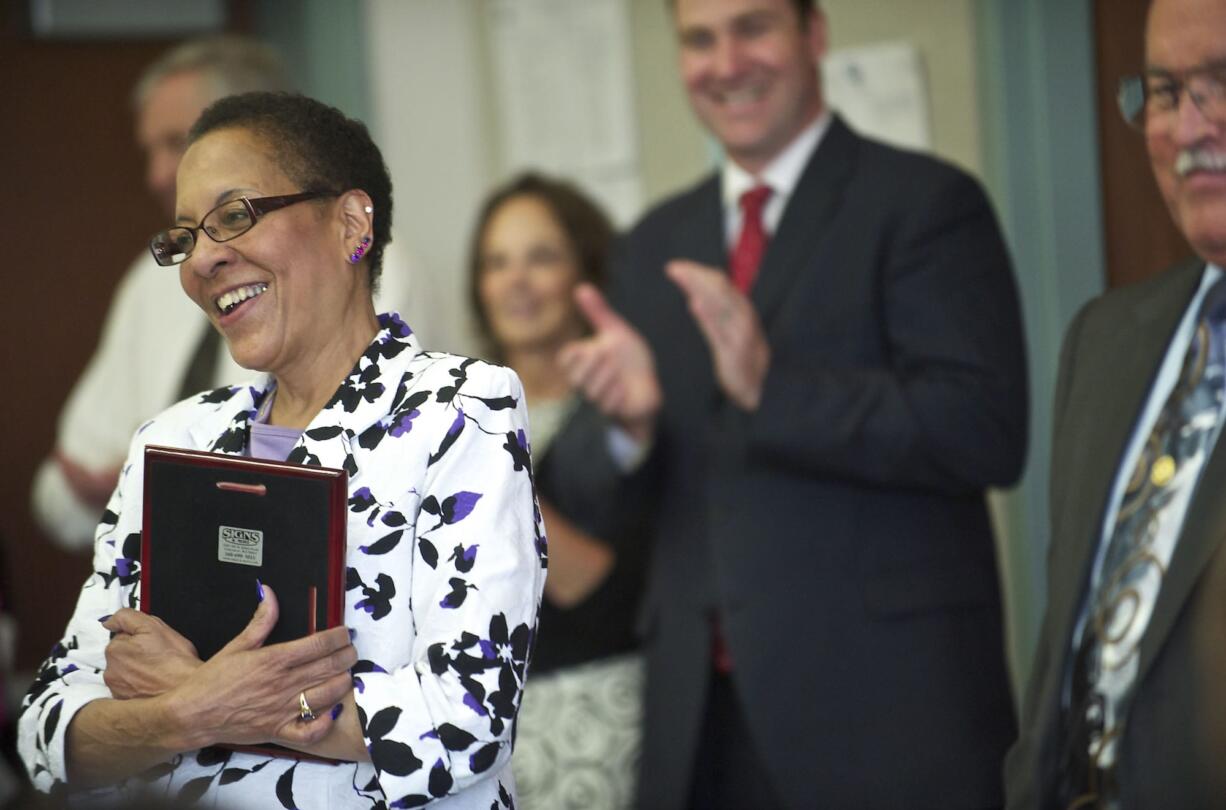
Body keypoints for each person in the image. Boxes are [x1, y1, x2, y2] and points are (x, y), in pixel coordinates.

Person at [557, 0, 1029, 807]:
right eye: (700, 39)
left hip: (889, 717)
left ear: (814, 36)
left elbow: (984, 432)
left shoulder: (925, 205)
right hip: (702, 729)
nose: (727, 62)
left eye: (754, 28)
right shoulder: (652, 244)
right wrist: (625, 429)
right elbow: (580, 490)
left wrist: (773, 390)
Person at [18, 92, 545, 809]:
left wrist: (206, 702)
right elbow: (49, 731)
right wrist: (191, 712)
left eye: (234, 216)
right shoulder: (172, 442)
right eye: (184, 238)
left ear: (351, 223)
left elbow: (466, 720)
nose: (201, 260)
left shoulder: (457, 411)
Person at [1005, 0, 1226, 807]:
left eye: (1222, 81)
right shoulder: (1104, 341)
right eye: (1165, 91)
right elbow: (1065, 643)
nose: (1189, 128)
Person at [31, 35, 288, 551]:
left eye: (176, 143)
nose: (155, 176)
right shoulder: (152, 280)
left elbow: (326, 478)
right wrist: (130, 486)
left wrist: (145, 483)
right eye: (149, 151)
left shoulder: (355, 267)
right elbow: (57, 495)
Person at [469, 173, 649, 809]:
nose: (514, 281)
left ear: (587, 274)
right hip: (476, 741)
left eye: (540, 257)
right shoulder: (456, 409)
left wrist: (489, 472)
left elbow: (605, 594)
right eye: (496, 262)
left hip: (593, 727)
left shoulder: (628, 411)